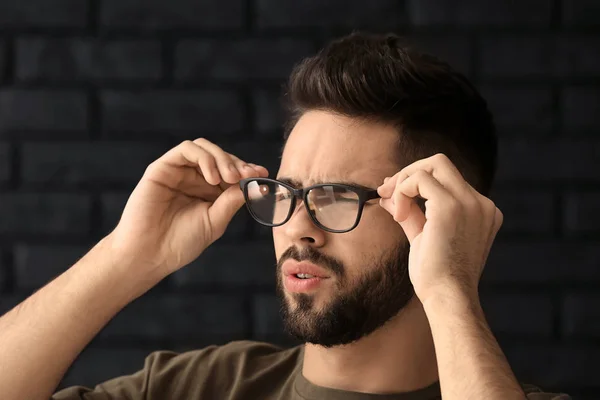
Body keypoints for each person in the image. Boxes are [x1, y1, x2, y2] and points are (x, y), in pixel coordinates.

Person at [0, 32, 570, 400]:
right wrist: (126, 256)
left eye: (338, 196)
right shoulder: (199, 388)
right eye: (286, 192)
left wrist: (450, 289)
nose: (298, 227)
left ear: (439, 214)